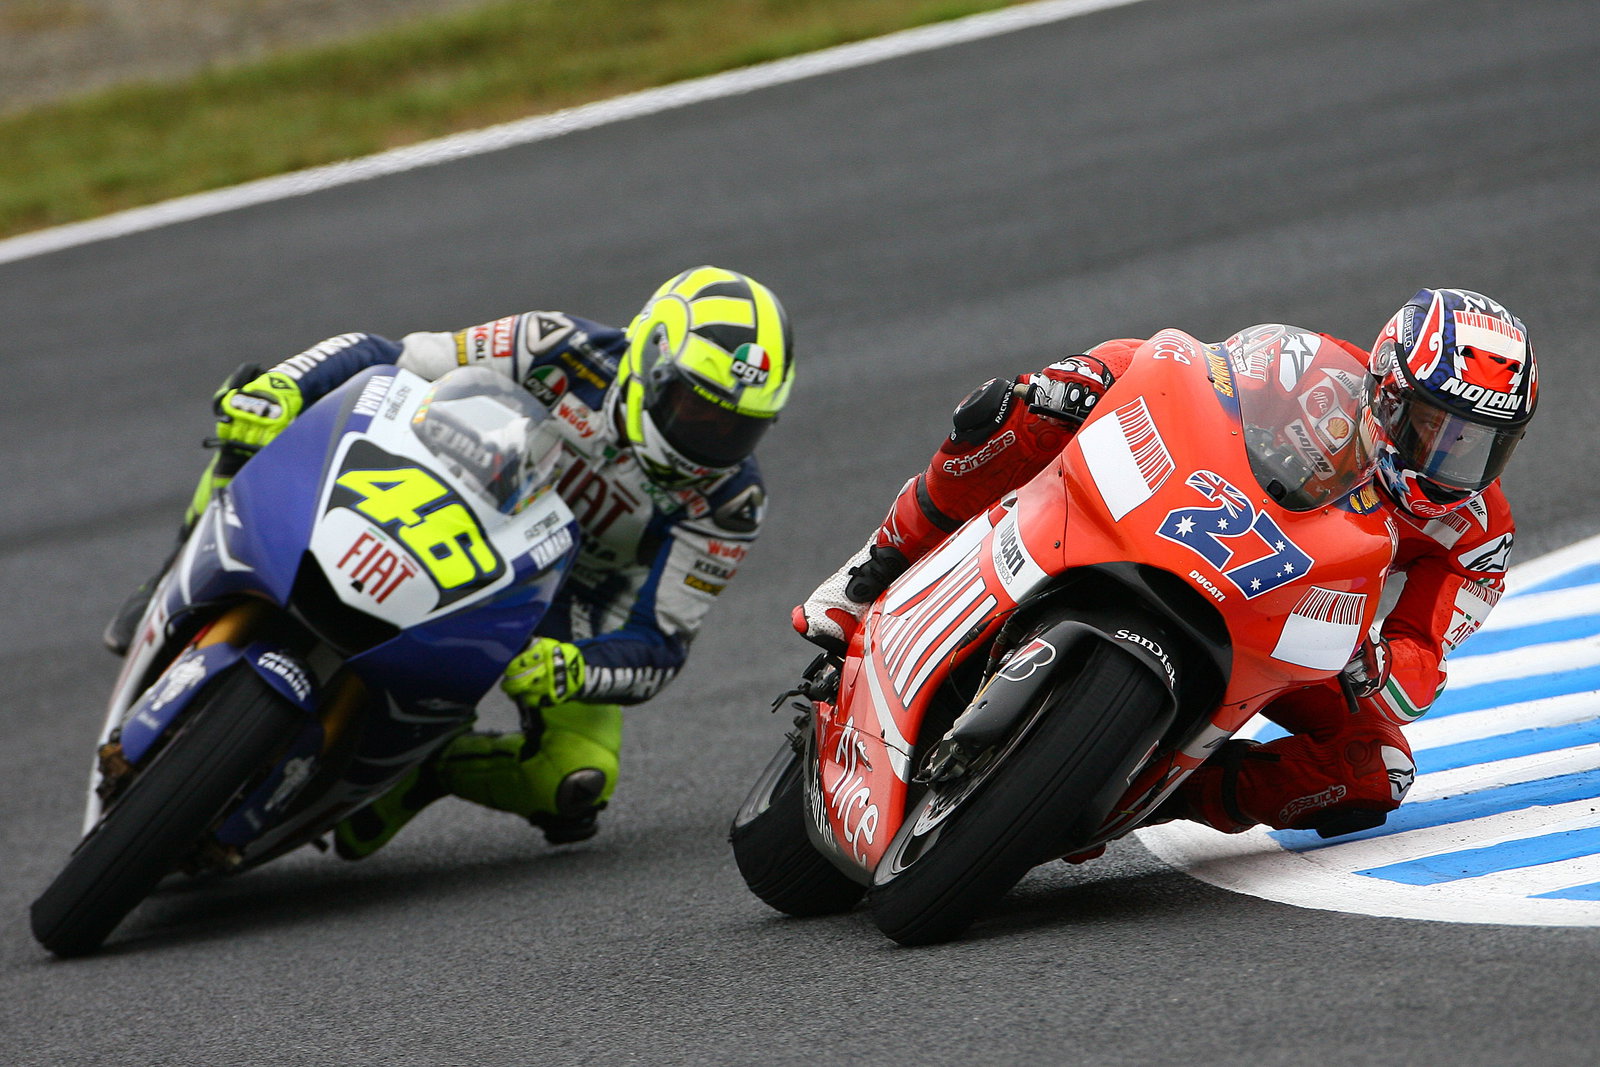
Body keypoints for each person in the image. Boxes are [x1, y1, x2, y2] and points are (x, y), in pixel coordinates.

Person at [794, 287, 1536, 839]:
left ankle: (1152, 790)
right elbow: (1175, 367)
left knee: (1381, 769)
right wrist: (1077, 380)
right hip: (1201, 521)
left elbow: (1422, 660)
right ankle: (872, 569)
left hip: (1299, 629)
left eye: (1477, 443)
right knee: (1015, 412)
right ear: (1386, 390)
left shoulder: (1477, 535)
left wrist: (1377, 662)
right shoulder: (1307, 368)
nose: (1448, 459)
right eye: (1435, 428)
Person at [106, 265, 795, 852]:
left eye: (740, 425)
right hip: (456, 506)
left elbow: (663, 641)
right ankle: (175, 567)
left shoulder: (733, 501)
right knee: (255, 410)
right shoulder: (555, 344)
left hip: (562, 606)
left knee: (575, 777)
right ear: (649, 359)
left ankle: (423, 766)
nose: (713, 436)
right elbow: (391, 359)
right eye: (695, 407)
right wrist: (286, 386)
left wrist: (578, 667)